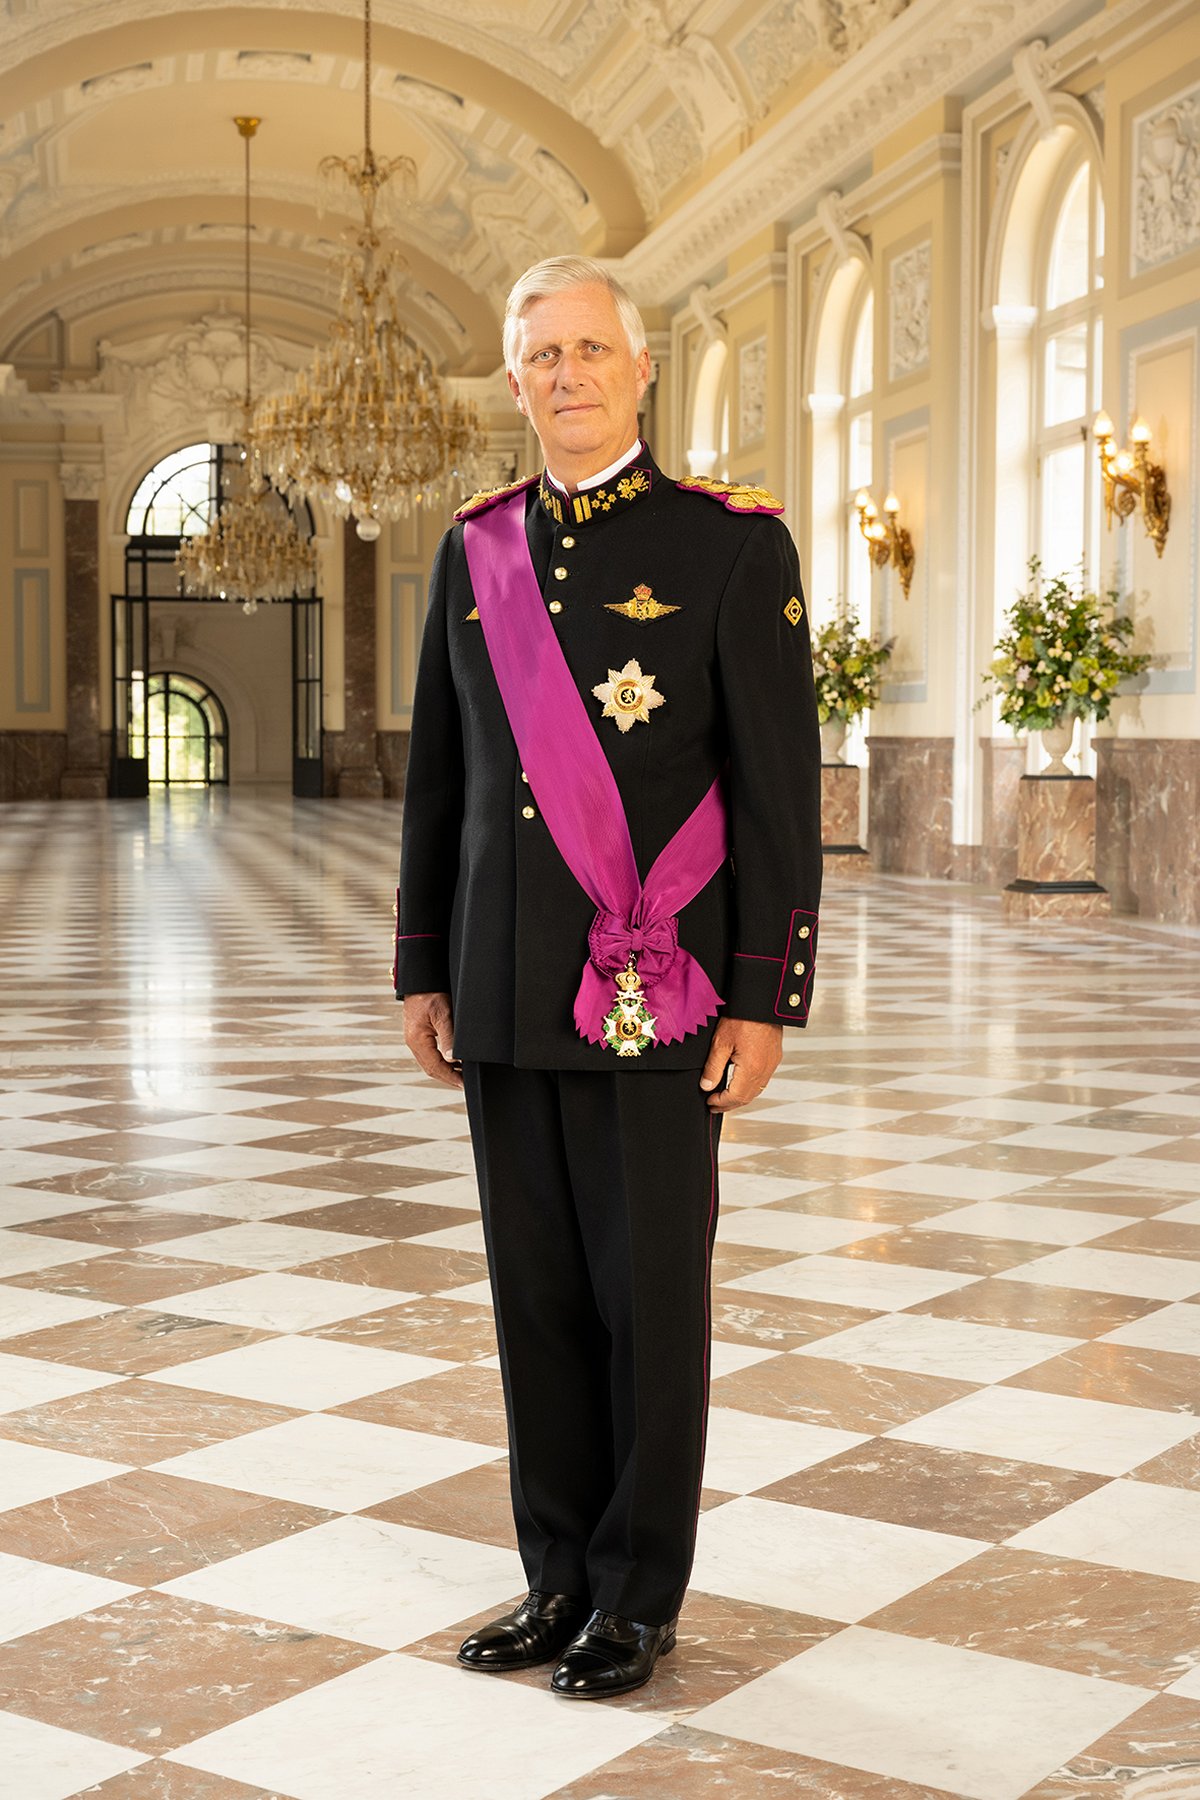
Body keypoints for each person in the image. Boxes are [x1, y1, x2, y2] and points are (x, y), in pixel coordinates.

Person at [395, 255, 821, 1700]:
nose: (566, 374)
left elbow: (775, 793)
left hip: (660, 992)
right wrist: (420, 967)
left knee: (651, 1298)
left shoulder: (730, 546)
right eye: (540, 354)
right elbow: (440, 783)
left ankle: (639, 1593)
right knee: (538, 1299)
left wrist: (764, 994)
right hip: (508, 988)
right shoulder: (474, 549)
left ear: (643, 370)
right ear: (513, 381)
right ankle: (555, 1574)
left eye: (590, 349)